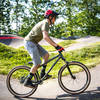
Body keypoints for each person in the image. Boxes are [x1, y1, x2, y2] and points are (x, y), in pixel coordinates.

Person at [24, 10, 64, 88]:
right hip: (29, 42)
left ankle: (43, 74)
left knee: (46, 55)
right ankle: (27, 81)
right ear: (50, 17)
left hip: (34, 42)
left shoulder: (46, 24)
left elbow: (46, 37)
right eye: (54, 17)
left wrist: (56, 45)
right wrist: (56, 46)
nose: (55, 19)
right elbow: (46, 37)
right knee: (37, 63)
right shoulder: (45, 23)